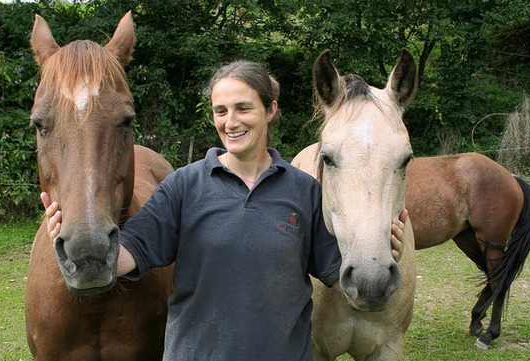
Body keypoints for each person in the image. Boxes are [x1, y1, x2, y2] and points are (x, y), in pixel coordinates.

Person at [41, 60, 408, 360]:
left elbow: (338, 276)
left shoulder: (304, 190)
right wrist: (80, 246)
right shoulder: (182, 187)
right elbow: (129, 254)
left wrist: (376, 254)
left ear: (270, 110)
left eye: (243, 108)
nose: (230, 122)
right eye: (221, 111)